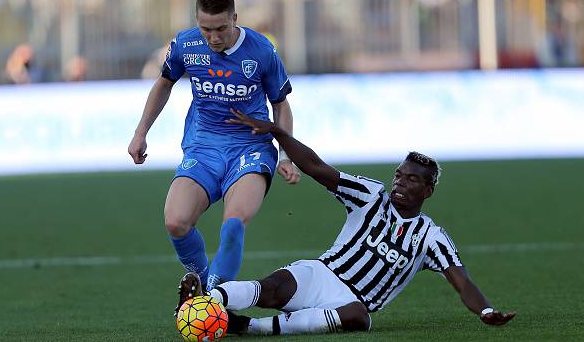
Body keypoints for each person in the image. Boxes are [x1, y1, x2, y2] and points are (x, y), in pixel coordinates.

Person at [177, 108, 516, 335]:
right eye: (399, 175)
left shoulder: (430, 237)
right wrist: (278, 132)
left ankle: (247, 329)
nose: (399, 182)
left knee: (359, 317)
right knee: (271, 289)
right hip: (323, 273)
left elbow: (462, 281)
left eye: (411, 179)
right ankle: (205, 300)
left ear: (428, 190)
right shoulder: (370, 194)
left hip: (350, 303)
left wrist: (485, 311)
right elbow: (316, 167)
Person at [127, 0, 300, 315]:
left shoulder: (261, 51)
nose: (214, 37)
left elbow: (281, 104)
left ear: (235, 18)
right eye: (206, 28)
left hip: (250, 148)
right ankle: (207, 287)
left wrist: (285, 153)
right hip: (203, 146)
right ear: (197, 21)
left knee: (233, 222)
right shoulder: (185, 44)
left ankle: (211, 300)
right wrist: (140, 133)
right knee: (176, 222)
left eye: (221, 28)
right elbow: (163, 84)